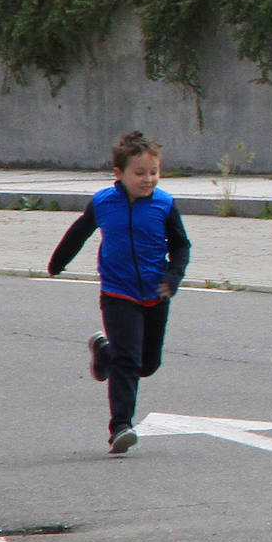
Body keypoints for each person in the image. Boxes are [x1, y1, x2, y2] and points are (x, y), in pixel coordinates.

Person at [48, 131, 191, 453]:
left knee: (147, 364)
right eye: (139, 173)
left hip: (156, 293)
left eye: (153, 172)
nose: (148, 179)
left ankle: (104, 352)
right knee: (128, 361)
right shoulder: (103, 203)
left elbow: (181, 246)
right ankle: (121, 427)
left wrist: (174, 275)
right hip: (117, 293)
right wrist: (57, 262)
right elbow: (79, 233)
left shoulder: (165, 205)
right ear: (119, 174)